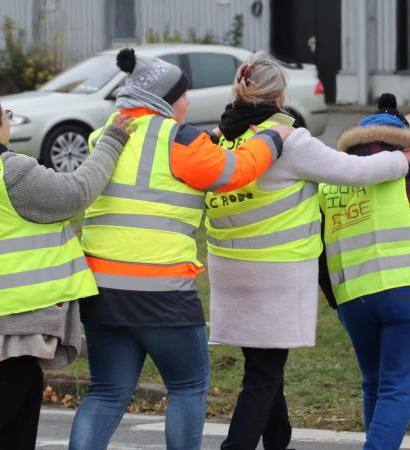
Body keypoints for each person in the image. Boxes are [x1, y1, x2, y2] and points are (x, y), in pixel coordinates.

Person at [68, 48, 293, 450]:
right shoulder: (179, 138)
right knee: (188, 386)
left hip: (102, 289)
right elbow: (234, 172)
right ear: (165, 100)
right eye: (182, 95)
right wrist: (274, 137)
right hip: (160, 292)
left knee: (106, 392)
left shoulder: (104, 135)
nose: (187, 102)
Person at [206, 54, 410, 450]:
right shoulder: (289, 141)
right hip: (273, 272)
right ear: (280, 96)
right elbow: (354, 171)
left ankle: (280, 439)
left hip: (230, 270)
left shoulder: (223, 137)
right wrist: (401, 159)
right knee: (262, 376)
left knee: (264, 367)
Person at [0, 90, 136, 450]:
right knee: (0, 404)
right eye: (5, 115)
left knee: (22, 400)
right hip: (11, 310)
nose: (9, 120)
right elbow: (76, 192)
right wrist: (113, 140)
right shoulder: (9, 172)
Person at [317, 94, 410, 450]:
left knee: (375, 383)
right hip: (408, 292)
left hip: (353, 297)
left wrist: (335, 296)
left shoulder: (333, 175)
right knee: (396, 386)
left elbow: (319, 241)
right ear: (405, 139)